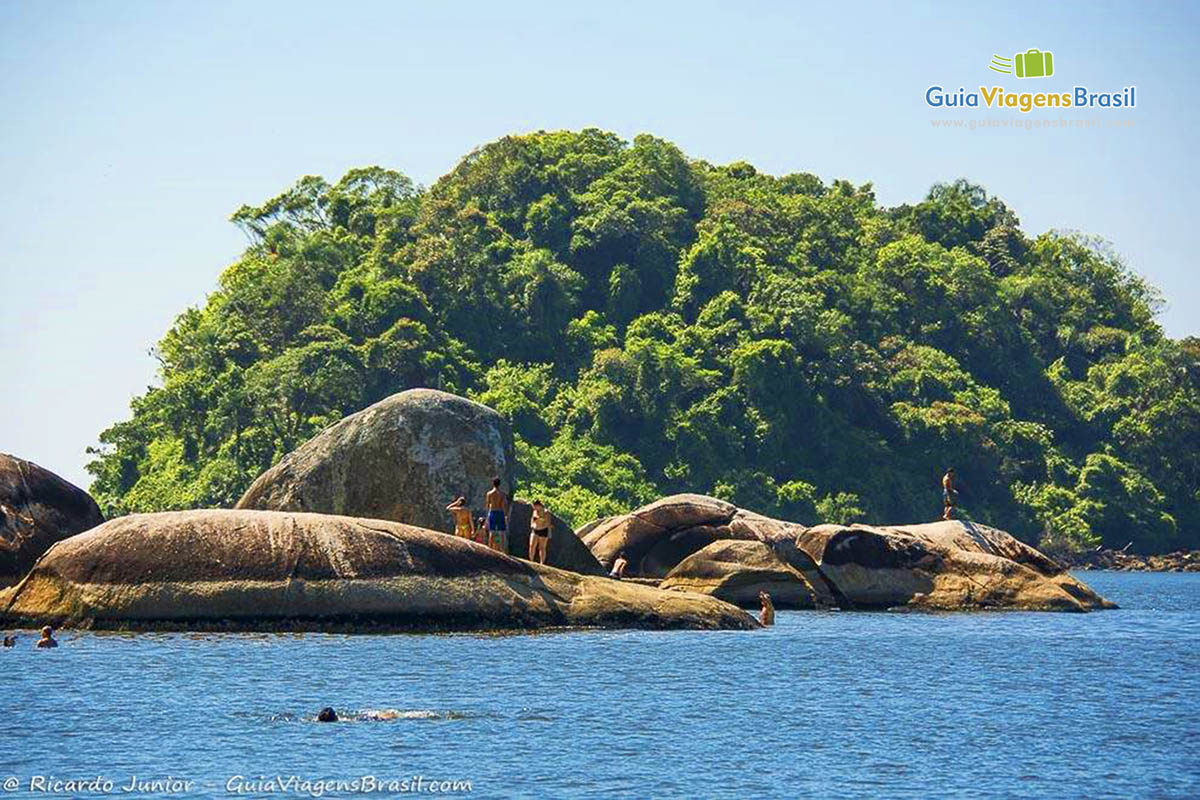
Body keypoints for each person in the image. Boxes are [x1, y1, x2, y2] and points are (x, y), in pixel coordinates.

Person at [484, 478, 508, 553]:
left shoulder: (489, 493)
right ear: (499, 484)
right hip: (500, 512)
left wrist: (487, 514)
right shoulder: (502, 494)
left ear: (493, 483)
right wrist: (505, 515)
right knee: (502, 532)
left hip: (492, 512)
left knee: (492, 531)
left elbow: (487, 505)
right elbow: (504, 505)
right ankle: (503, 550)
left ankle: (489, 548)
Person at [529, 500, 552, 565]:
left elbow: (547, 523)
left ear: (539, 505)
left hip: (543, 530)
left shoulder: (546, 512)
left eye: (535, 506)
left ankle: (542, 563)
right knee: (532, 545)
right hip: (535, 529)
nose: (534, 508)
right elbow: (532, 520)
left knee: (542, 547)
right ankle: (531, 560)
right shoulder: (534, 512)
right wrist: (533, 525)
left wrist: (540, 519)